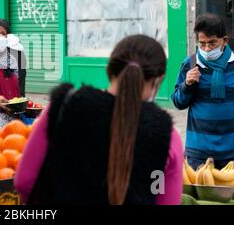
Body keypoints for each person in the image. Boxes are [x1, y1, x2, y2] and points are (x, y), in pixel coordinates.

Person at [15, 35, 183, 205]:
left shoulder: (64, 106)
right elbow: (163, 197)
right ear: (158, 80)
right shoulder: (165, 134)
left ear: (110, 69)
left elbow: (25, 181)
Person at [172, 13, 234, 170]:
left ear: (224, 41)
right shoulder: (190, 64)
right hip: (198, 153)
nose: (207, 49)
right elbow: (178, 102)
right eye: (202, 44)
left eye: (212, 43)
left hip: (230, 152)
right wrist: (187, 84)